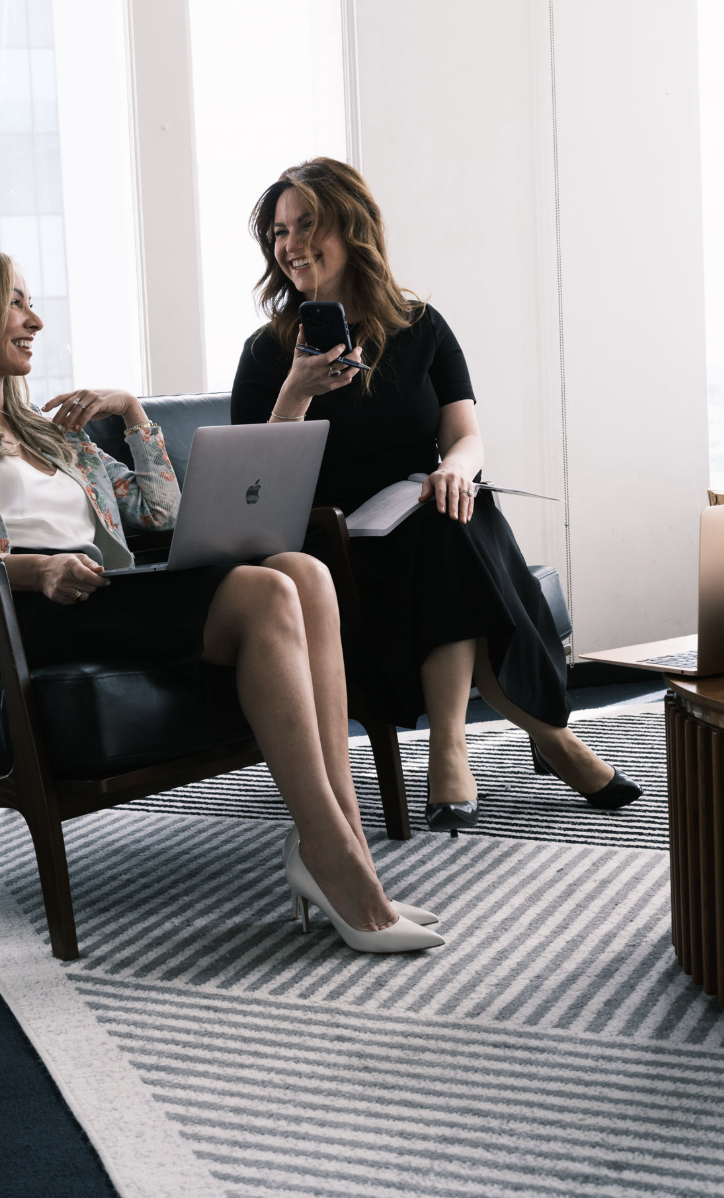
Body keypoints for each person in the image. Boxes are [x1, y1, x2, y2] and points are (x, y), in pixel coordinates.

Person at [0, 246, 445, 954]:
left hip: (100, 595)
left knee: (305, 570)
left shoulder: (49, 432)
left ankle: (343, 847)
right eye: (17, 302)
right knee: (267, 589)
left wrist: (134, 413)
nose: (35, 320)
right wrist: (32, 571)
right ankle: (337, 867)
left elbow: (162, 513)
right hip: (18, 615)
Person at [231, 158, 642, 832]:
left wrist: (454, 468)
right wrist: (298, 389)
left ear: (352, 227)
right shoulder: (269, 351)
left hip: (425, 521)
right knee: (449, 528)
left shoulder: (420, 326)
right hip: (333, 551)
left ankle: (453, 749)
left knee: (452, 506)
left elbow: (465, 435)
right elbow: (256, 485)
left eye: (308, 224)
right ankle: (553, 738)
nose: (290, 243)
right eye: (278, 231)